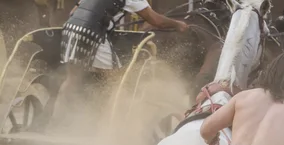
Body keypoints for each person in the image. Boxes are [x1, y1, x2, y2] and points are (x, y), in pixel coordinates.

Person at [56, 0, 188, 111]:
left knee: (72, 79)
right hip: (93, 34)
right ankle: (108, 127)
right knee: (118, 83)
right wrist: (178, 24)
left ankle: (54, 120)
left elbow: (73, 12)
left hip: (71, 30)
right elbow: (156, 20)